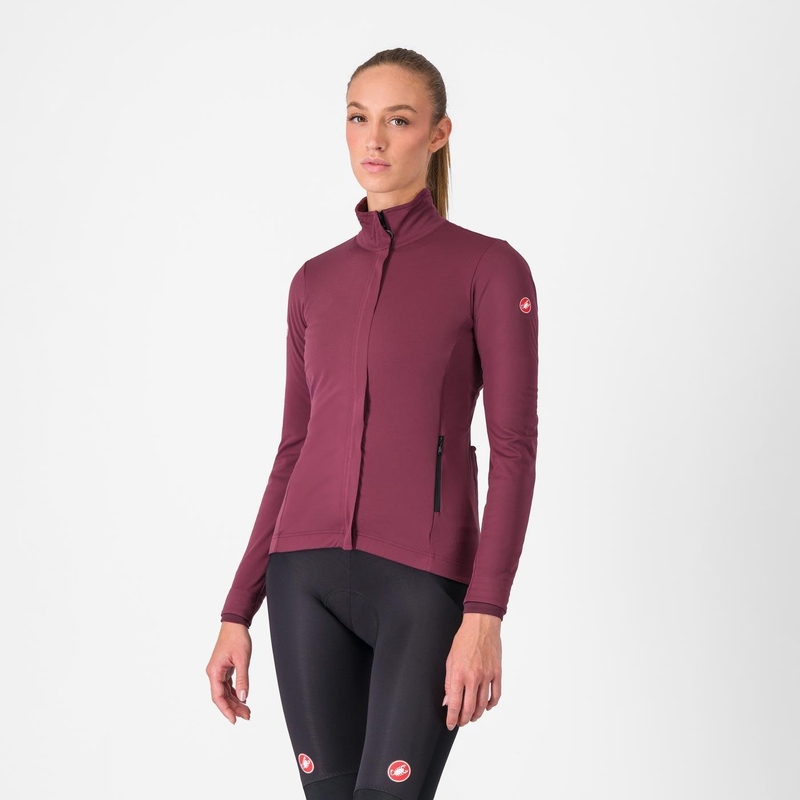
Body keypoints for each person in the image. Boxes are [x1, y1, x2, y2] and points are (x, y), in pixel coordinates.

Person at [205, 47, 539, 800]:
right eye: (359, 118)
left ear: (439, 133)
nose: (375, 139)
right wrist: (237, 610)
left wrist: (485, 613)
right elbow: (294, 448)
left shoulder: (489, 268)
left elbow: (515, 449)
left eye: (399, 120)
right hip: (303, 580)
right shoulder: (314, 280)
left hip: (422, 584)